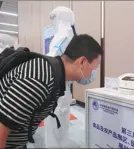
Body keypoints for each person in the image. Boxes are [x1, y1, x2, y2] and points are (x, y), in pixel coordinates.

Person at [0, 34, 103, 148]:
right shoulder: (40, 77)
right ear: (82, 62)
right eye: (94, 67)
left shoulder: (53, 74)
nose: (93, 73)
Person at [43, 6, 79, 148]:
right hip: (60, 88)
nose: (52, 21)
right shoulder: (64, 33)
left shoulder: (65, 33)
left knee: (55, 126)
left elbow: (53, 57)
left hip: (58, 89)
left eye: (53, 17)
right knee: (58, 126)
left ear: (61, 17)